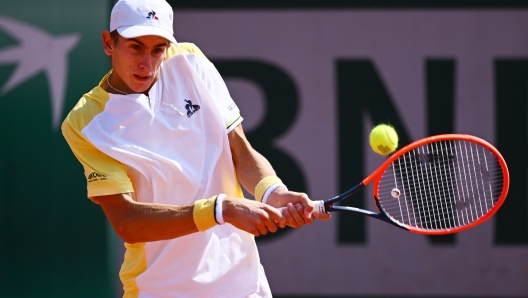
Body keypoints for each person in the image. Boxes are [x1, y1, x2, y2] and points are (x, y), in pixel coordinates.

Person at [62, 0, 330, 297]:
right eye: (136, 47)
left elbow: (240, 152)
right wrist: (220, 209)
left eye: (158, 49)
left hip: (242, 284)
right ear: (108, 43)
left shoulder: (191, 61)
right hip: (158, 290)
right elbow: (128, 221)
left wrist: (273, 192)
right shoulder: (86, 122)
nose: (146, 64)